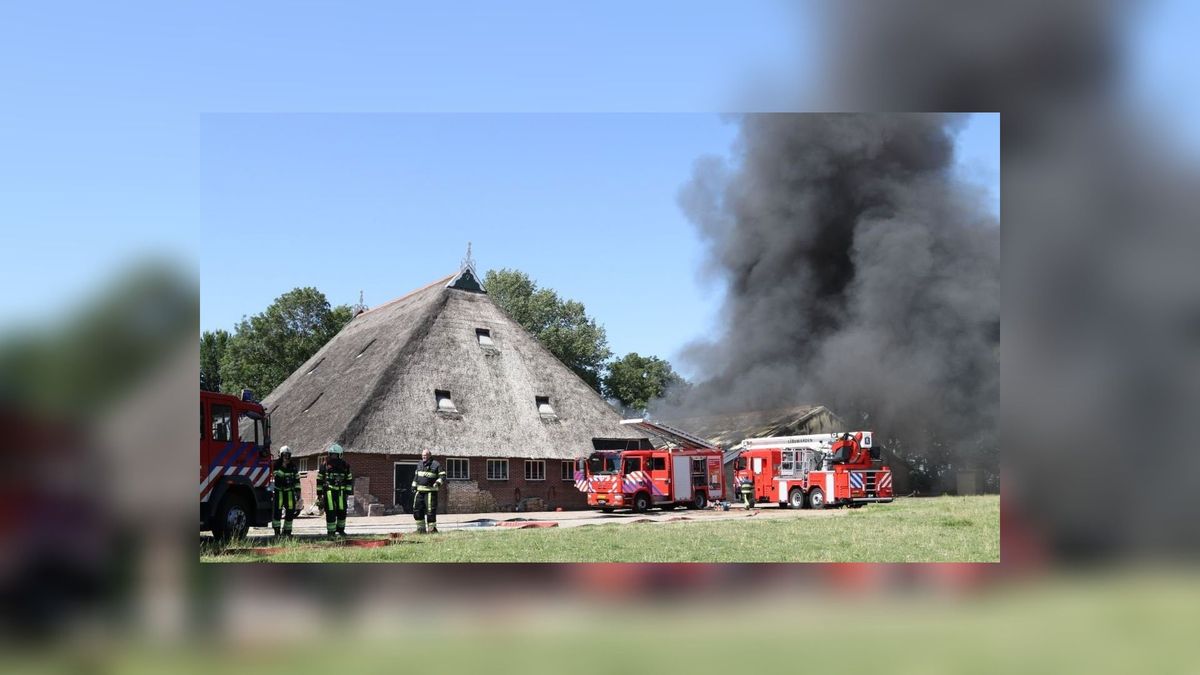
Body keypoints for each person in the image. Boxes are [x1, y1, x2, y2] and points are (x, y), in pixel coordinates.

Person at [317, 443, 353, 537]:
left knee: (342, 511)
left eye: (335, 455)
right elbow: (319, 479)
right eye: (332, 455)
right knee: (330, 512)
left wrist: (348, 492)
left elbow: (349, 479)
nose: (334, 457)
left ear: (340, 455)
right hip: (329, 492)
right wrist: (319, 494)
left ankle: (341, 530)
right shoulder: (324, 465)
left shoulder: (345, 465)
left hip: (341, 492)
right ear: (329, 454)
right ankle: (331, 532)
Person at [411, 449, 446, 534]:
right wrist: (414, 485)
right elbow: (416, 476)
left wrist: (437, 483)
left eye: (425, 455)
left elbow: (443, 476)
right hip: (419, 491)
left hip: (430, 492)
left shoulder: (436, 464)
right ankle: (420, 529)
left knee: (430, 511)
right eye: (422, 455)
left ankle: (432, 529)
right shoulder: (419, 464)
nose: (423, 457)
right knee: (417, 510)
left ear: (429, 455)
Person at [271, 445, 300, 537]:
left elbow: (297, 479)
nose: (286, 457)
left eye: (288, 455)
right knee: (277, 512)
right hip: (279, 491)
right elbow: (277, 477)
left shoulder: (293, 466)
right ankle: (277, 532)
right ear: (281, 455)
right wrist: (283, 467)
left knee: (290, 511)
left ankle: (287, 532)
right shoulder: (276, 465)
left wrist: (298, 491)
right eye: (284, 455)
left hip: (290, 492)